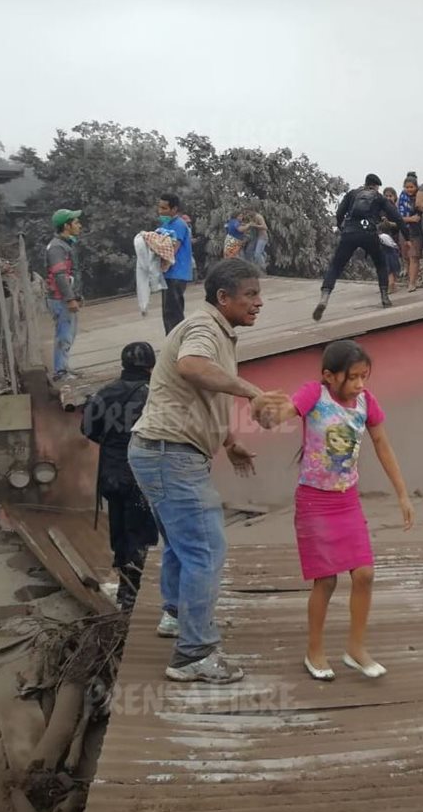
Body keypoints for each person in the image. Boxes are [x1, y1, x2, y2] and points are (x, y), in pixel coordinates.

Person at [128, 259, 282, 684]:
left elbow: (203, 393)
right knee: (206, 550)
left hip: (162, 451)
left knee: (182, 544)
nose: (259, 302)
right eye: (250, 295)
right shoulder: (204, 329)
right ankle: (193, 654)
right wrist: (252, 390)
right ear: (223, 299)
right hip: (169, 454)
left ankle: (177, 616)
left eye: (258, 293)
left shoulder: (216, 331)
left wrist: (230, 443)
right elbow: (192, 368)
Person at [258, 340, 414, 681]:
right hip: (314, 501)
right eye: (354, 377)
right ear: (329, 376)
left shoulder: (366, 403)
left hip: (347, 500)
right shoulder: (315, 394)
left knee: (365, 574)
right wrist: (266, 412)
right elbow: (283, 414)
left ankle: (356, 649)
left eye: (365, 377)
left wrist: (402, 494)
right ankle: (315, 650)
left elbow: (382, 445)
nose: (360, 384)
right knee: (325, 581)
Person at [81, 342, 159, 611]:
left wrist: (113, 443)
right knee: (141, 533)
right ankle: (133, 594)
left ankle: (125, 590)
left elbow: (88, 429)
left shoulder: (104, 393)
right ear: (151, 366)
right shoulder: (154, 393)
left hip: (111, 473)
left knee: (120, 532)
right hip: (141, 472)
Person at [317, 174, 411, 317]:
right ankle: (385, 297)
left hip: (350, 233)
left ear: (366, 183)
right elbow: (396, 216)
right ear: (376, 186)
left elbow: (339, 212)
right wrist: (407, 236)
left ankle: (324, 297)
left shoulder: (352, 194)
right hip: (369, 234)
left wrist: (341, 226)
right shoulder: (378, 197)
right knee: (380, 264)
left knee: (336, 266)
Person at [45, 208, 83, 382]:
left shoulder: (65, 244)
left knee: (69, 334)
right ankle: (60, 372)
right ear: (66, 226)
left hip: (64, 298)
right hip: (60, 299)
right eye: (75, 222)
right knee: (64, 335)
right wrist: (70, 299)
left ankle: (64, 368)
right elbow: (60, 275)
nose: (79, 225)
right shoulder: (57, 248)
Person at [157, 193, 194, 335]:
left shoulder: (178, 225)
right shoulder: (166, 224)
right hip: (168, 273)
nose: (160, 211)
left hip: (177, 273)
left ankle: (178, 343)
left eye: (164, 208)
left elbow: (172, 249)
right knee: (168, 312)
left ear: (174, 209)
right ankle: (172, 343)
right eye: (159, 207)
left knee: (174, 312)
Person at [398, 175, 423, 292]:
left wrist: (412, 219)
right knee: (406, 257)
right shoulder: (402, 197)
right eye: (407, 187)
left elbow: (418, 217)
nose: (409, 189)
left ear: (416, 187)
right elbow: (398, 217)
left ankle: (412, 282)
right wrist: (410, 219)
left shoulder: (420, 197)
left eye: (411, 187)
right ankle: (410, 280)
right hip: (404, 230)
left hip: (417, 231)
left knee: (414, 256)